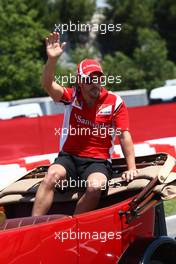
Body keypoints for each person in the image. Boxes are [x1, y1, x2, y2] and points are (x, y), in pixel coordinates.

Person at [32, 32, 138, 216]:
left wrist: (132, 169)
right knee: (50, 177)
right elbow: (48, 85)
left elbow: (124, 135)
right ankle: (33, 231)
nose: (94, 83)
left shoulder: (115, 101)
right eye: (89, 79)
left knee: (95, 187)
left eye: (98, 78)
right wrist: (52, 60)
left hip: (98, 162)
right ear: (80, 81)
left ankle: (73, 228)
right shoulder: (72, 96)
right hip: (69, 158)